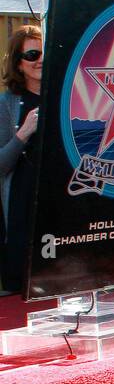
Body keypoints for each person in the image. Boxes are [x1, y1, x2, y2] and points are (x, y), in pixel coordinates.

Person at [0, 25, 42, 294]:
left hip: (60, 207)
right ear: (18, 62)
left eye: (44, 53)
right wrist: (24, 133)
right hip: (21, 209)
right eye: (32, 54)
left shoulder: (68, 97)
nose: (40, 60)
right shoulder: (7, 103)